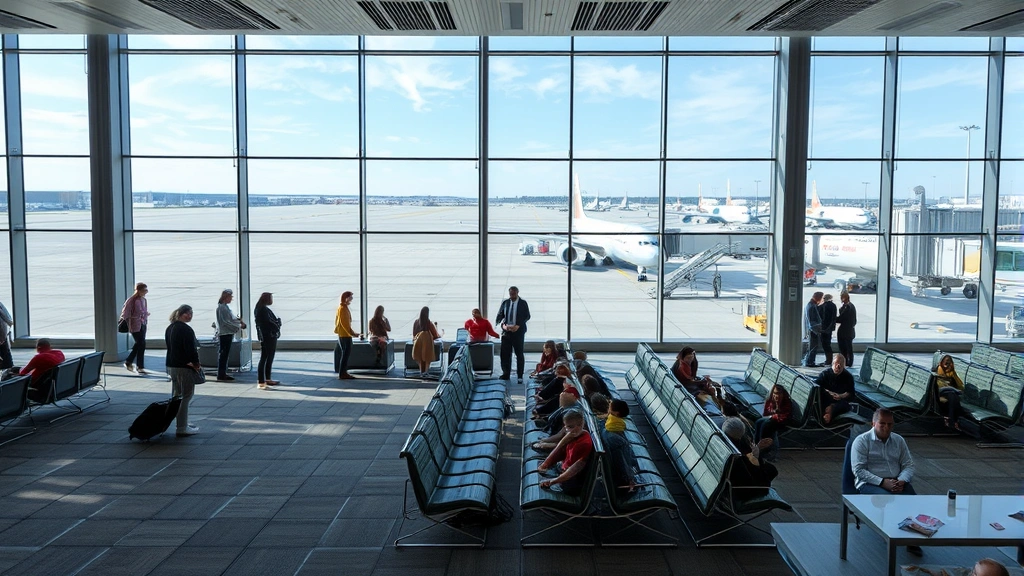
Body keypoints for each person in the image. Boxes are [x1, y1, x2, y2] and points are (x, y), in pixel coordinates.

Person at [851, 408, 915, 495]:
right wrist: (882, 482)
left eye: (890, 424)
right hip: (870, 483)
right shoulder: (862, 441)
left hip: (896, 481)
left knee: (914, 503)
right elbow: (859, 470)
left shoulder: (898, 440)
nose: (886, 427)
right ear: (873, 424)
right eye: (882, 424)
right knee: (886, 500)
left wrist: (902, 480)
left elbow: (908, 464)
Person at [165, 305, 202, 437]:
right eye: (188, 313)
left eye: (191, 313)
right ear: (182, 314)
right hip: (183, 367)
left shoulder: (170, 327)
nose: (190, 315)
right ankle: (181, 427)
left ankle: (181, 423)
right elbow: (191, 349)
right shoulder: (186, 329)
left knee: (177, 395)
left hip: (172, 365)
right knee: (186, 396)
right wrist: (196, 364)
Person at [538, 409, 593, 495]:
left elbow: (573, 470)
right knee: (541, 466)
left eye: (570, 427)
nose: (567, 430)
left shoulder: (584, 444)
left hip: (571, 481)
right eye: (566, 427)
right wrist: (546, 463)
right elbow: (560, 447)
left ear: (580, 425)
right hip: (564, 468)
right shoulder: (575, 433)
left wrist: (552, 481)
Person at [722, 417, 778, 497]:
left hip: (734, 481)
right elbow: (753, 468)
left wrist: (757, 448)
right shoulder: (738, 454)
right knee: (772, 470)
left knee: (769, 468)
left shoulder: (727, 444)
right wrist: (756, 454)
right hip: (743, 490)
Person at [602, 399, 639, 496]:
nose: (608, 410)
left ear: (616, 413)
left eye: (610, 408)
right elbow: (625, 460)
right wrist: (631, 479)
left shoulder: (608, 429)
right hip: (621, 477)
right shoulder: (617, 437)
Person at [495, 286, 530, 383]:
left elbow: (527, 316)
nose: (512, 296)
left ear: (517, 293)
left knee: (519, 354)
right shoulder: (505, 303)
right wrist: (502, 325)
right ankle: (506, 373)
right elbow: (500, 315)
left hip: (518, 332)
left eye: (514, 294)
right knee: (505, 354)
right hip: (506, 332)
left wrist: (518, 325)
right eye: (510, 294)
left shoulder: (523, 303)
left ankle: (520, 375)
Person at [214, 289, 246, 382]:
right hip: (225, 333)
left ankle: (223, 373)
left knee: (224, 354)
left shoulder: (224, 307)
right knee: (224, 354)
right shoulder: (222, 308)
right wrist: (239, 326)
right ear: (226, 297)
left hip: (227, 333)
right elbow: (226, 322)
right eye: (230, 297)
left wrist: (238, 322)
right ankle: (221, 373)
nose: (231, 299)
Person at [120, 282, 151, 375]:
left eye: (146, 290)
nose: (145, 292)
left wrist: (145, 315)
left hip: (143, 323)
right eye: (144, 290)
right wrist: (133, 318)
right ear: (139, 290)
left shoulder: (144, 300)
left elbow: (144, 311)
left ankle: (129, 361)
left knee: (140, 344)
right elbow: (125, 313)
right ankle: (139, 366)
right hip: (134, 324)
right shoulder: (132, 300)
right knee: (141, 343)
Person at [816, 355, 855, 425]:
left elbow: (851, 394)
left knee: (844, 405)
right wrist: (829, 393)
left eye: (841, 364)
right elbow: (817, 387)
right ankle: (828, 413)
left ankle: (830, 411)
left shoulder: (848, 377)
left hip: (839, 401)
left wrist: (841, 396)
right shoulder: (825, 374)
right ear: (832, 364)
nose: (838, 367)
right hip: (826, 398)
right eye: (836, 364)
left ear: (844, 366)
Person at [254, 292, 281, 390]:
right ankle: (262, 380)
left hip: (265, 336)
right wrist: (277, 325)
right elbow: (269, 323)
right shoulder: (263, 310)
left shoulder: (260, 308)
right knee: (266, 358)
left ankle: (266, 379)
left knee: (266, 357)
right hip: (268, 337)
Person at [754, 384, 792, 452]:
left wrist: (777, 408)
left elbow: (784, 416)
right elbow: (766, 413)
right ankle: (756, 444)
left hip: (782, 421)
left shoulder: (786, 401)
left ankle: (765, 448)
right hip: (773, 418)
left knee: (766, 425)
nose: (776, 395)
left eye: (778, 393)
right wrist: (773, 411)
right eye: (774, 393)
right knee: (758, 422)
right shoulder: (771, 400)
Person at [334, 291, 361, 380]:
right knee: (345, 354)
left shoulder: (341, 307)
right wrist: (353, 334)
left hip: (343, 334)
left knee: (344, 354)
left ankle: (343, 372)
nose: (351, 299)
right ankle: (343, 373)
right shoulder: (343, 309)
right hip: (345, 335)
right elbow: (345, 324)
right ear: (346, 298)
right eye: (350, 297)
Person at [935, 354, 966, 431]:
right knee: (952, 395)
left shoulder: (952, 372)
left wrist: (960, 390)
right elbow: (940, 386)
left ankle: (953, 420)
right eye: (946, 361)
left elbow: (959, 385)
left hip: (950, 393)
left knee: (954, 397)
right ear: (941, 362)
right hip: (939, 393)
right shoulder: (938, 371)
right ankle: (954, 421)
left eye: (949, 361)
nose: (947, 363)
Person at [411, 306, 441, 378]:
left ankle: (421, 371)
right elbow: (435, 335)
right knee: (427, 357)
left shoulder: (416, 322)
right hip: (427, 344)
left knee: (420, 358)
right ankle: (426, 372)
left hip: (417, 343)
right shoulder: (428, 323)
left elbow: (414, 334)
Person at [836, 290, 857, 368]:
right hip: (849, 330)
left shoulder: (848, 307)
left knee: (845, 348)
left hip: (845, 331)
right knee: (848, 347)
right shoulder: (850, 306)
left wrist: (832, 319)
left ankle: (847, 362)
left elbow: (841, 318)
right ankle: (847, 361)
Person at [803, 292, 824, 367]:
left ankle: (810, 361)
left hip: (812, 329)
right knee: (813, 346)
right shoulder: (812, 306)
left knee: (812, 346)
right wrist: (817, 329)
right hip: (813, 330)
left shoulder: (810, 305)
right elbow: (812, 320)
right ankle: (810, 362)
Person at [818, 293, 838, 366]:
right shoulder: (833, 306)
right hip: (829, 329)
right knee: (828, 344)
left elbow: (820, 316)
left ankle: (828, 360)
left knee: (825, 344)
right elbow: (833, 318)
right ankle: (829, 360)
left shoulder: (823, 306)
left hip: (823, 328)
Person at [0, 298, 13, 371]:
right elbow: (9, 320)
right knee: (6, 354)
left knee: (5, 353)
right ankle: (8, 371)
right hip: (4, 333)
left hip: (2, 333)